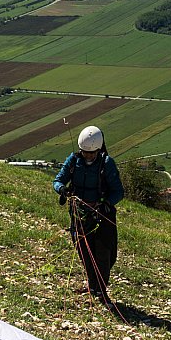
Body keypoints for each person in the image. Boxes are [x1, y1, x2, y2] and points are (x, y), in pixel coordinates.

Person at [53, 126, 124, 302]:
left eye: (92, 153)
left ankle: (101, 289)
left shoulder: (106, 164)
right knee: (84, 251)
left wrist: (106, 203)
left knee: (104, 254)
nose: (88, 156)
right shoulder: (73, 161)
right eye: (85, 152)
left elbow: (118, 191)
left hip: (102, 216)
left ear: (99, 150)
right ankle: (92, 285)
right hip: (79, 215)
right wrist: (62, 189)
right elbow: (58, 180)